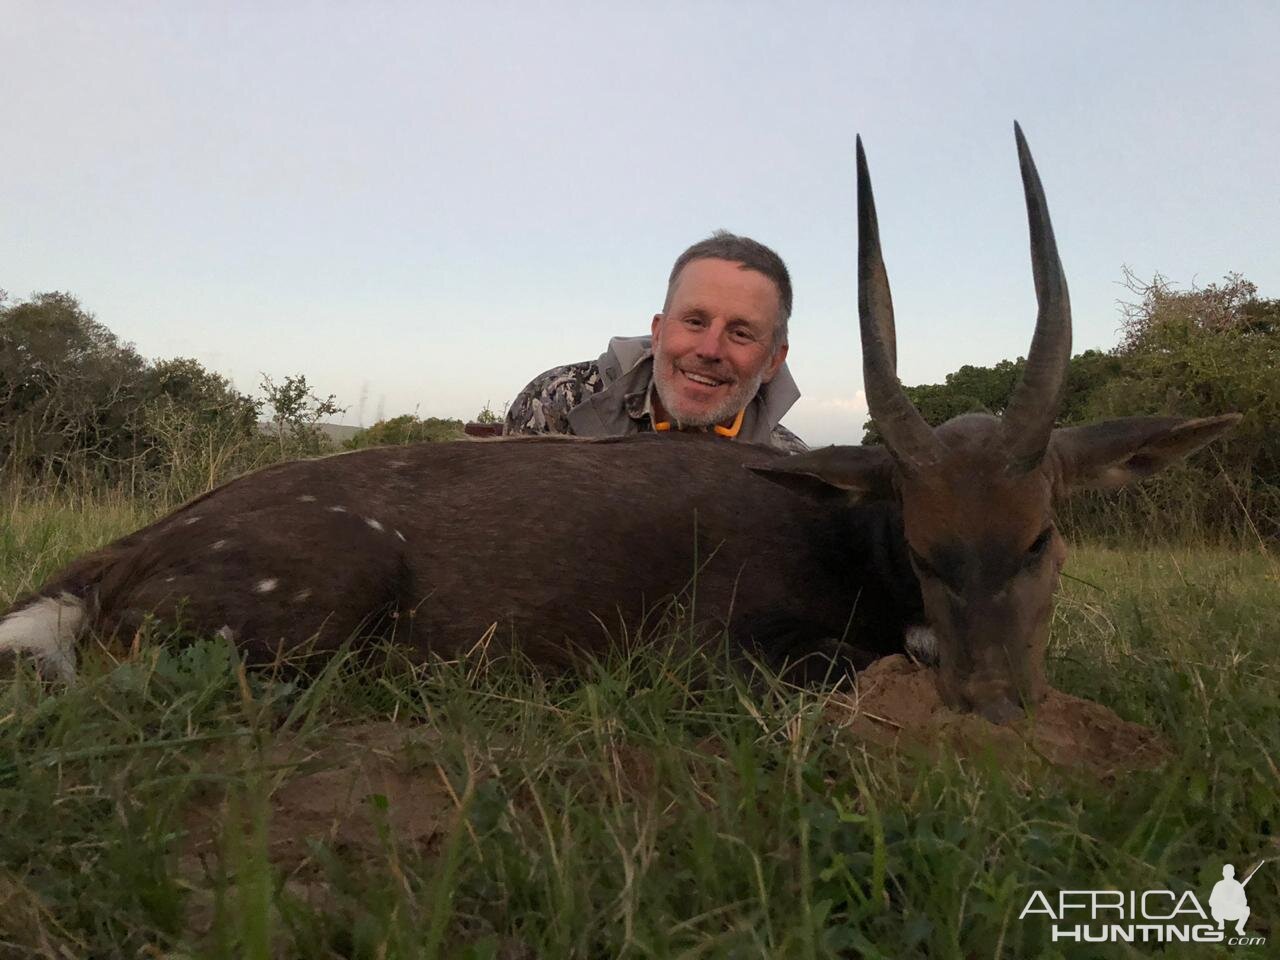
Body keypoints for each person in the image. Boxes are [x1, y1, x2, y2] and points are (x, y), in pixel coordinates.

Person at [503, 231, 806, 453]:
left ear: (773, 361)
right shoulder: (555, 403)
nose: (710, 350)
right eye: (695, 321)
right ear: (658, 331)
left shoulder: (789, 468)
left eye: (740, 333)